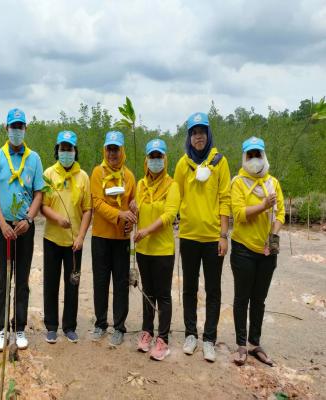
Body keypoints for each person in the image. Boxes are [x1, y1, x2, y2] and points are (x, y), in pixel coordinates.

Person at [0, 108, 44, 352]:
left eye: (20, 126)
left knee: (21, 280)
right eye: (13, 126)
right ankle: (1, 329)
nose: (16, 131)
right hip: (3, 228)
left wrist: (28, 219)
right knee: (2, 280)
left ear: (25, 129)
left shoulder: (34, 158)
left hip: (24, 228)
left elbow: (38, 193)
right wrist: (2, 224)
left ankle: (19, 327)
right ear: (6, 128)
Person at [173, 112, 231, 362]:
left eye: (202, 132)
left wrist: (223, 235)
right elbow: (175, 197)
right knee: (189, 288)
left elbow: (225, 198)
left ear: (208, 134)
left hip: (212, 238)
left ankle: (209, 338)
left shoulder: (220, 162)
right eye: (194, 132)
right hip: (188, 236)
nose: (199, 136)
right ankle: (190, 334)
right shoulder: (182, 164)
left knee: (213, 289)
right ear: (189, 136)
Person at [230, 137, 284, 366]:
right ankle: (241, 344)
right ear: (244, 157)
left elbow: (280, 213)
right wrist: (263, 205)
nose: (254, 159)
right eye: (250, 155)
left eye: (257, 154)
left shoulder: (273, 183)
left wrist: (273, 237)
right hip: (243, 248)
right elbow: (239, 214)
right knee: (242, 298)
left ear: (264, 156)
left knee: (259, 299)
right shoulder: (238, 182)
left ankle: (254, 343)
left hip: (267, 250)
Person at [41, 131, 92, 344]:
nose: (66, 152)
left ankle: (69, 326)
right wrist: (58, 219)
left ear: (75, 151)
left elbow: (87, 209)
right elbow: (42, 206)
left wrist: (81, 237)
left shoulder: (83, 177)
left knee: (72, 284)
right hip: (52, 239)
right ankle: (51, 326)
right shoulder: (49, 174)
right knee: (51, 283)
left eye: (69, 148)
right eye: (62, 148)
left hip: (74, 243)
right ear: (57, 150)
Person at [133, 139, 180, 361]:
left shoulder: (172, 185)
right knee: (147, 292)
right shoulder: (141, 184)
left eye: (159, 156)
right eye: (152, 156)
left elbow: (169, 215)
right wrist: (133, 209)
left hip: (163, 249)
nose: (155, 160)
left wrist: (146, 231)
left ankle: (163, 338)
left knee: (163, 294)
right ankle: (147, 331)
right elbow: (138, 211)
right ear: (146, 159)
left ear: (165, 159)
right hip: (143, 249)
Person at [90, 131, 136, 346]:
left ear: (122, 150)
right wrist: (120, 215)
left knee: (121, 283)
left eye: (116, 149)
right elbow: (97, 204)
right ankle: (100, 323)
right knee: (100, 282)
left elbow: (133, 206)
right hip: (100, 237)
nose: (112, 153)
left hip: (121, 239)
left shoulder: (130, 176)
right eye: (109, 149)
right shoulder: (97, 173)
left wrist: (131, 218)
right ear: (104, 150)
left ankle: (119, 327)